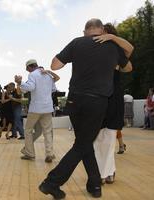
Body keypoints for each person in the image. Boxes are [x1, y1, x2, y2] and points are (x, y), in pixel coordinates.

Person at [39, 19, 132, 199]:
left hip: (74, 102)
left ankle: (95, 185)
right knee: (83, 143)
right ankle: (51, 183)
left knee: (84, 141)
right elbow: (128, 67)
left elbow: (55, 65)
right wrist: (112, 44)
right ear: (102, 30)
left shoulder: (77, 42)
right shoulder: (112, 46)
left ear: (85, 31)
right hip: (97, 103)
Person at [93, 23, 133, 184]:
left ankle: (104, 173)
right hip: (97, 97)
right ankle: (107, 171)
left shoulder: (115, 50)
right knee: (97, 138)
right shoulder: (94, 48)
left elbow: (130, 50)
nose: (100, 34)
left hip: (113, 97)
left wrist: (113, 38)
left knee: (109, 138)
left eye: (104, 32)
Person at [15, 59, 57, 163]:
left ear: (30, 67)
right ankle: (49, 153)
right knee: (47, 131)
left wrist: (20, 82)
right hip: (48, 108)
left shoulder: (33, 75)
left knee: (28, 130)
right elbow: (53, 89)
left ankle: (30, 153)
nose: (27, 71)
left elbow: (30, 87)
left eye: (27, 69)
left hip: (36, 108)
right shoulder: (47, 75)